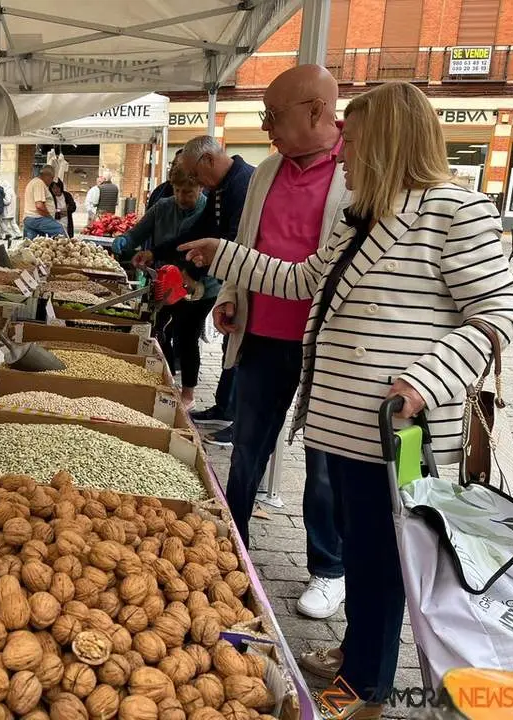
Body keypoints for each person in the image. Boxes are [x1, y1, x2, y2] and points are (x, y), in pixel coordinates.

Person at [182, 79, 513, 720]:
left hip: (399, 432)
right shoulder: (358, 216)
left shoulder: (454, 212)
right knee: (364, 550)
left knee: (387, 559)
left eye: (355, 141)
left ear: (389, 142)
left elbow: (498, 316)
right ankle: (358, 655)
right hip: (340, 422)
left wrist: (428, 376)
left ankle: (365, 688)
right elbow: (305, 281)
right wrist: (227, 255)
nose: (347, 154)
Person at [208, 66, 353, 621]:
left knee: (322, 463)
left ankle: (329, 568)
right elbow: (248, 244)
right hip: (264, 335)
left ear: (316, 111)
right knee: (247, 446)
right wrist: (232, 293)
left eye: (274, 115)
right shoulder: (267, 171)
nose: (266, 127)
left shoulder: (356, 171)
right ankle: (233, 538)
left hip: (327, 346)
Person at [144, 137, 254, 431]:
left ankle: (235, 417)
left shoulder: (242, 186)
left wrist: (194, 273)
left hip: (250, 283)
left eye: (194, 175)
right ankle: (224, 408)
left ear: (207, 160)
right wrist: (159, 251)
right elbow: (199, 232)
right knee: (232, 347)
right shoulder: (221, 189)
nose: (195, 182)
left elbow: (231, 243)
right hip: (233, 282)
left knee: (242, 351)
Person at [112, 165, 206, 404]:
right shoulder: (163, 207)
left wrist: (194, 280)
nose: (182, 197)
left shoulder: (208, 211)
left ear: (200, 188)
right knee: (156, 328)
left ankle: (188, 394)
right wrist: (125, 241)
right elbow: (139, 232)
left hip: (199, 284)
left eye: (189, 192)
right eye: (177, 191)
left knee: (186, 335)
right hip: (163, 279)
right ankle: (164, 378)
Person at [23, 166, 66, 238]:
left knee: (33, 244)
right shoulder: (39, 183)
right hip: (37, 218)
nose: (51, 181)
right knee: (60, 230)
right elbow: (39, 206)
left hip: (30, 218)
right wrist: (50, 218)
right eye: (52, 178)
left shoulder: (33, 182)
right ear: (47, 176)